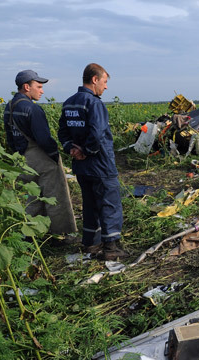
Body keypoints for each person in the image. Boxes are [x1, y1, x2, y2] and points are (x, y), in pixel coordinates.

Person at [58, 63, 128, 260]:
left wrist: (71, 148)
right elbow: (97, 134)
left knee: (89, 203)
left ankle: (91, 243)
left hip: (81, 167)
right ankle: (111, 248)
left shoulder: (70, 103)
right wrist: (87, 151)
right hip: (101, 164)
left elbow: (62, 131)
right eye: (104, 82)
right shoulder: (94, 103)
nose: (105, 87)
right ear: (95, 79)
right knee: (109, 203)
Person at [3, 70, 77, 239]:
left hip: (22, 158)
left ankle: (32, 235)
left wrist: (17, 154)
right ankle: (60, 235)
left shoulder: (10, 107)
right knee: (55, 197)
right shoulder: (32, 109)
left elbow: (9, 136)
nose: (42, 91)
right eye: (39, 87)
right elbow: (44, 139)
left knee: (33, 197)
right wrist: (55, 157)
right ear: (26, 87)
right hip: (41, 158)